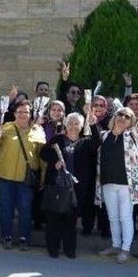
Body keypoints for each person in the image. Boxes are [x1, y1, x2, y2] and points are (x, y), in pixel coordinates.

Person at [93, 91, 138, 264]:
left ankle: (125, 249)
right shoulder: (103, 135)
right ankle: (115, 245)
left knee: (126, 216)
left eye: (127, 117)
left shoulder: (131, 136)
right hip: (107, 183)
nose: (123, 118)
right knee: (112, 217)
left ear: (131, 122)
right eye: (120, 114)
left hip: (126, 185)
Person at [0, 100, 46, 251]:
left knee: (25, 209)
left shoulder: (37, 130)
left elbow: (43, 156)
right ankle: (6, 236)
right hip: (5, 177)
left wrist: (44, 176)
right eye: (19, 111)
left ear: (30, 114)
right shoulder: (6, 127)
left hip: (25, 179)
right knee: (6, 209)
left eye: (26, 112)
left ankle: (24, 238)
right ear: (14, 114)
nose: (22, 114)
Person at [40, 111, 95, 259]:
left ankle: (70, 249)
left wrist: (93, 123)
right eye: (70, 123)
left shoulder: (86, 142)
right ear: (65, 124)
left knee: (71, 220)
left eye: (76, 123)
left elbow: (96, 151)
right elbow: (43, 153)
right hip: (56, 185)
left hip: (76, 187)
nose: (73, 126)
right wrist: (54, 161)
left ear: (82, 126)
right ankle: (53, 249)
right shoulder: (57, 139)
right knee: (54, 219)